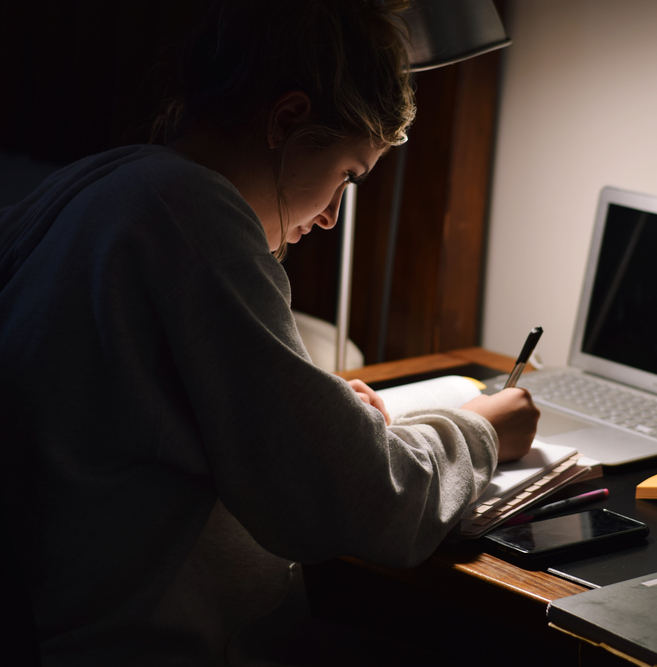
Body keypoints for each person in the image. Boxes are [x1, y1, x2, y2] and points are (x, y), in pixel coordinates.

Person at [0, 0, 538, 664]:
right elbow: (361, 502)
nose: (334, 215)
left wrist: (328, 415)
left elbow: (189, 407)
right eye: (346, 175)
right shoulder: (193, 222)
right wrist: (482, 429)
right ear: (287, 120)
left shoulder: (102, 185)